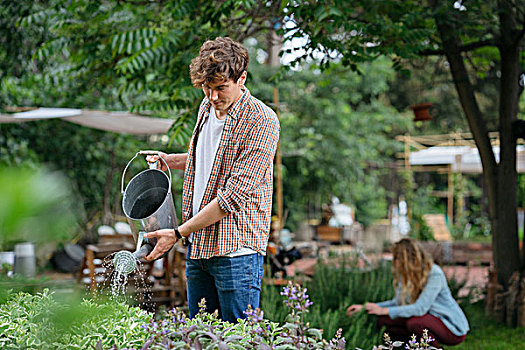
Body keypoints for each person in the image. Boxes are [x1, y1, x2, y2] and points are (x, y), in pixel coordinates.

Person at [143, 37, 280, 323]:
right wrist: (169, 160)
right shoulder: (206, 109)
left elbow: (232, 197)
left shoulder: (262, 121)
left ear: (241, 78)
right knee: (199, 336)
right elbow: (206, 160)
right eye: (206, 88)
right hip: (200, 244)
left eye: (220, 88)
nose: (213, 96)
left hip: (236, 251)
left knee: (238, 340)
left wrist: (178, 233)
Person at [346, 238, 469, 348]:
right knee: (383, 321)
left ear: (407, 259)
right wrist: (366, 307)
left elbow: (420, 308)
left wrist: (384, 310)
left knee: (415, 323)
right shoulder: (406, 274)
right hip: (428, 320)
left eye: (397, 258)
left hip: (451, 327)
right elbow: (397, 303)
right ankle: (409, 347)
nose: (395, 262)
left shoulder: (434, 273)